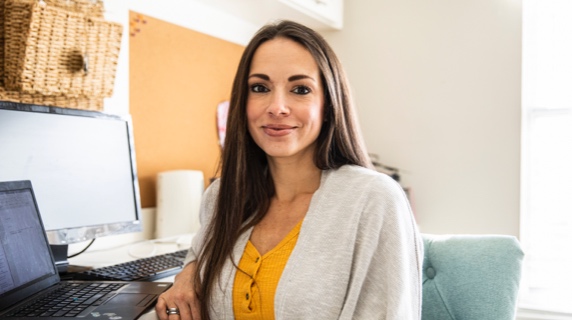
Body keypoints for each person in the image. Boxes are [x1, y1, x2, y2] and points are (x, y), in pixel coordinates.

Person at [155, 20, 423, 320]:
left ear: (329, 104)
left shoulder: (374, 199)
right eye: (260, 88)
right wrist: (188, 274)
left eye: (300, 89)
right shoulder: (221, 196)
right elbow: (200, 258)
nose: (277, 106)